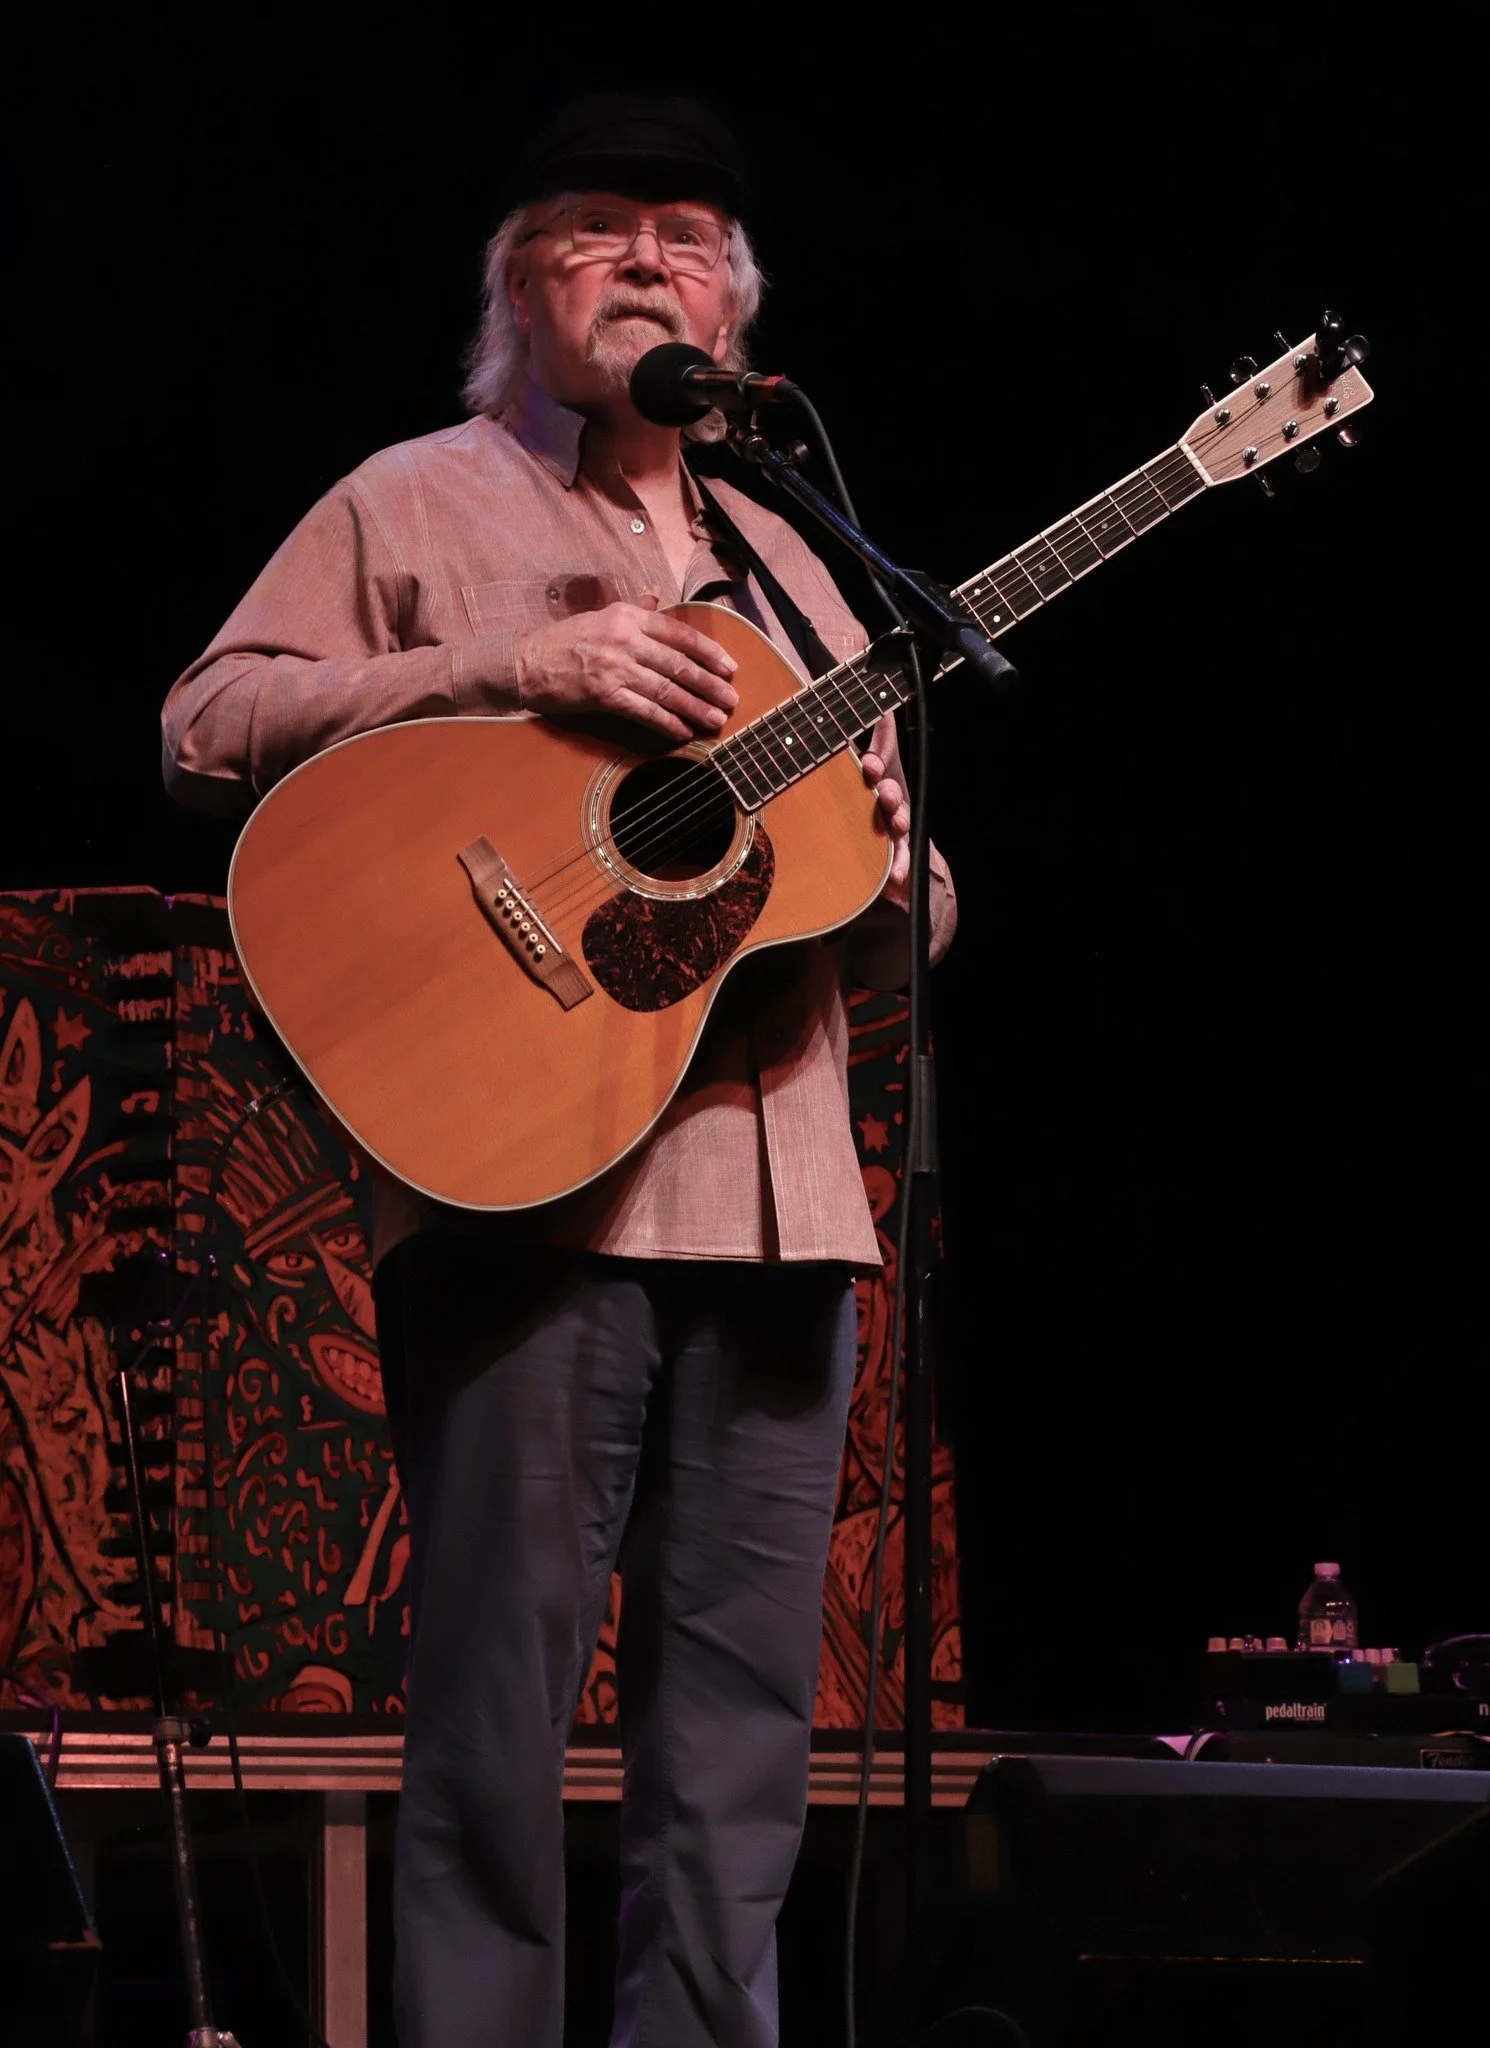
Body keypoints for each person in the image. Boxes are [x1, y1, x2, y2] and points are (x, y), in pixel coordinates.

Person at [162, 94, 955, 2048]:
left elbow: (900, 914)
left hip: (780, 1209)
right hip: (530, 1183)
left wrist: (887, 849)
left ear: (738, 308)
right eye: (594, 231)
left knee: (741, 1756)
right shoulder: (413, 498)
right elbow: (208, 718)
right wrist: (513, 672)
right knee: (496, 1728)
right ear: (518, 284)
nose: (644, 263)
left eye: (686, 237)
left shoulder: (792, 561)